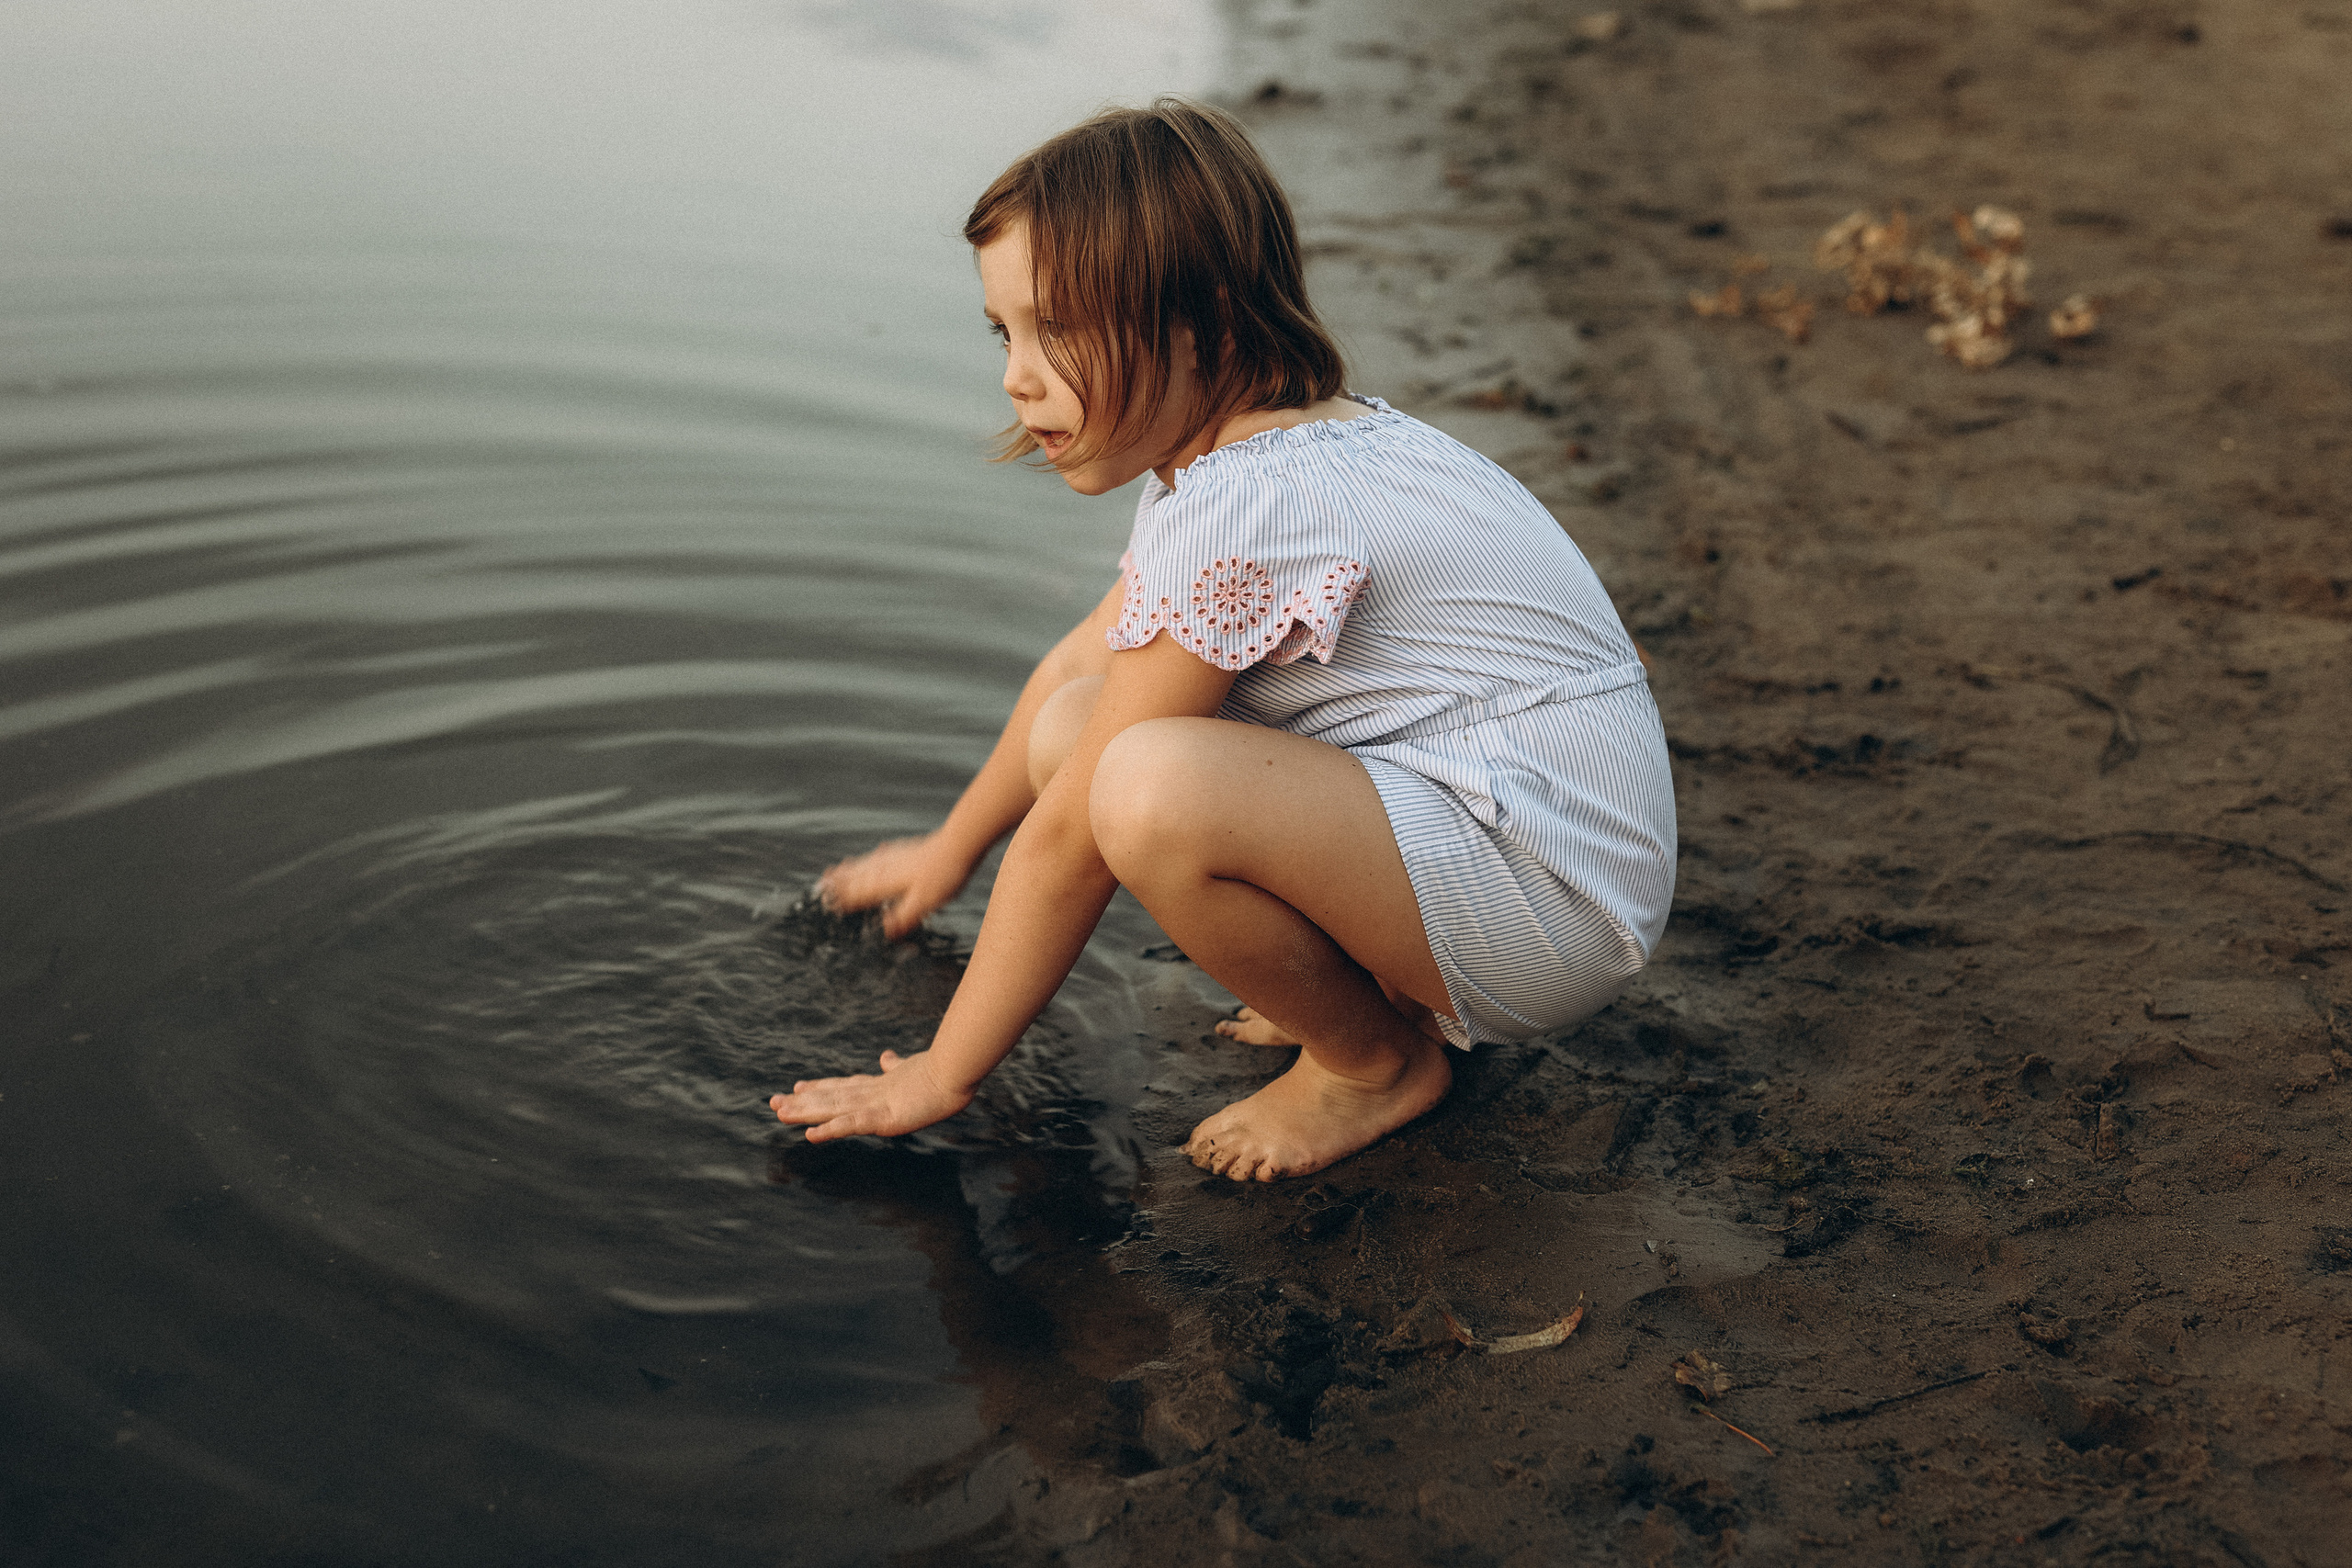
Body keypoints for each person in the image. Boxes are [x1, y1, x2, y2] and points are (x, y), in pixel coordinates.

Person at [770, 99, 1674, 1182]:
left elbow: (1069, 841)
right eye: (1003, 331)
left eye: (1057, 328)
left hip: (1550, 902)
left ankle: (1372, 1062)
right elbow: (1074, 668)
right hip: (1527, 837)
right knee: (1080, 729)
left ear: (1205, 324)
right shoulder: (1277, 457)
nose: (1017, 374)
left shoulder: (1253, 502)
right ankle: (1366, 986)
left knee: (1142, 785)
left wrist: (941, 1073)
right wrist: (949, 851)